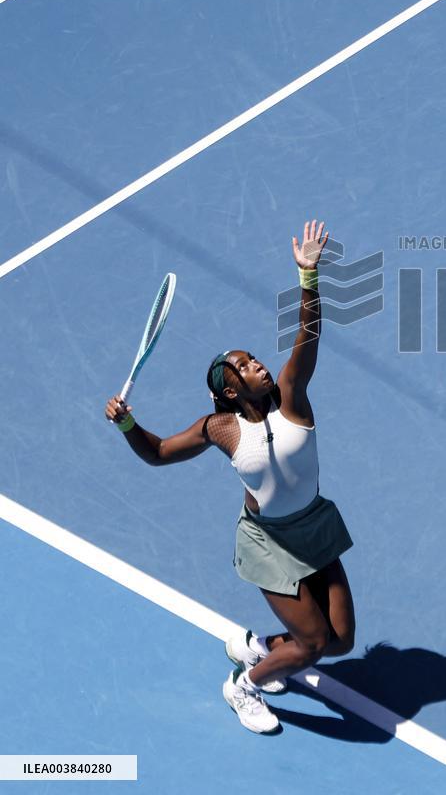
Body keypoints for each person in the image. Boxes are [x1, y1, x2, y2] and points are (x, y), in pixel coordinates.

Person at [104, 220, 355, 735]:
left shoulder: (292, 398)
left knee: (341, 641)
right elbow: (158, 453)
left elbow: (308, 336)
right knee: (312, 644)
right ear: (229, 390)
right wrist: (129, 425)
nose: (258, 364)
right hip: (268, 542)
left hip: (313, 526)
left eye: (255, 358)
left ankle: (258, 648)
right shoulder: (219, 428)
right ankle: (244, 685)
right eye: (245, 365)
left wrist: (309, 276)